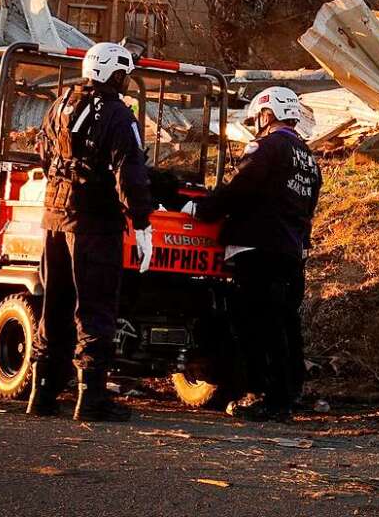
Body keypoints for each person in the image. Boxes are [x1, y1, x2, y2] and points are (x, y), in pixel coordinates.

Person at [27, 42, 153, 422]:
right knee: (95, 309)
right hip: (94, 224)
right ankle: (91, 398)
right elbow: (129, 171)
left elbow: (44, 153)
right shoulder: (118, 115)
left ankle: (42, 393)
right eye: (124, 74)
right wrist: (142, 221)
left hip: (54, 218)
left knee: (55, 306)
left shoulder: (60, 103)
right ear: (115, 74)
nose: (127, 80)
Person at [183, 86, 322, 422]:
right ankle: (289, 394)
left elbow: (241, 189)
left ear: (266, 114)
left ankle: (266, 397)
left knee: (257, 325)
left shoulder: (267, 146)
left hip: (258, 249)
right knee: (286, 325)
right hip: (291, 251)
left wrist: (203, 210)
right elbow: (308, 207)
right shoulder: (308, 157)